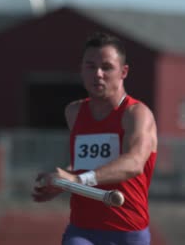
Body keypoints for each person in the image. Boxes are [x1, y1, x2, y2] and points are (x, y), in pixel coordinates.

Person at [32, 32, 158, 245]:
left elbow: (134, 163)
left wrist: (78, 180)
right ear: (81, 70)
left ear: (123, 72)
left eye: (107, 67)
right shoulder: (74, 112)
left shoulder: (136, 114)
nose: (98, 74)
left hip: (127, 231)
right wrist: (63, 181)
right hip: (83, 230)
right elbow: (85, 165)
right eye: (91, 66)